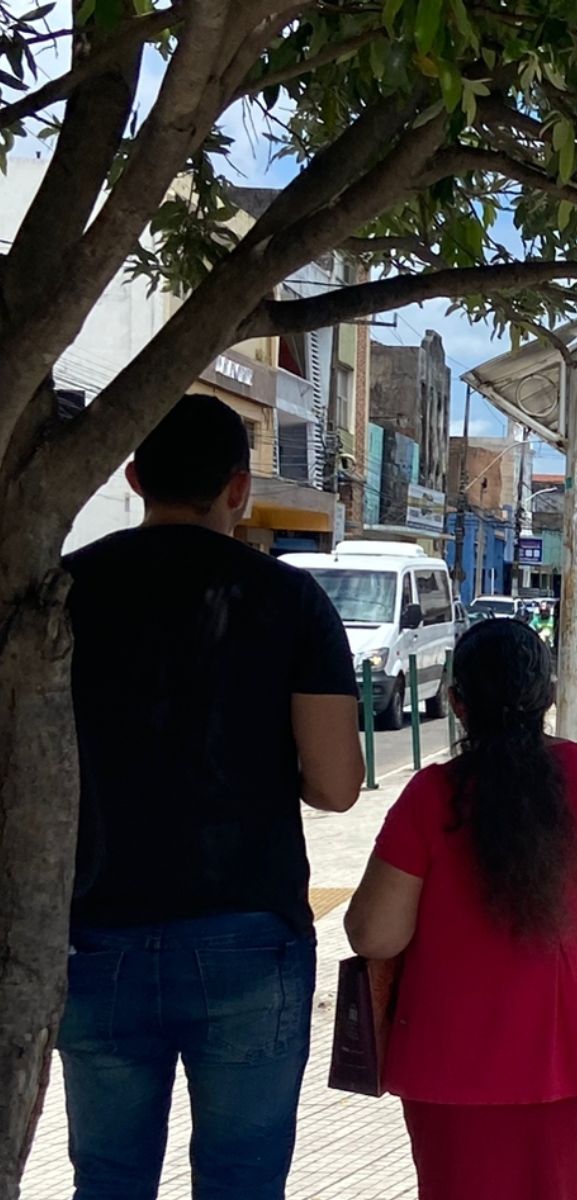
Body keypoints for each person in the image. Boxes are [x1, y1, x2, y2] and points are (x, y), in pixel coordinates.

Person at [60, 394, 364, 1200]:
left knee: (109, 1178)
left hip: (96, 932)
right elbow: (336, 786)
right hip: (248, 936)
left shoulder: (65, 591)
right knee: (241, 1180)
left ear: (132, 478)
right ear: (238, 488)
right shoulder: (291, 602)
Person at [344, 619, 577, 1200]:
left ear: (456, 703)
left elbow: (374, 934)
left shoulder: (433, 797)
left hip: (452, 1062)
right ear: (547, 696)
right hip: (568, 1051)